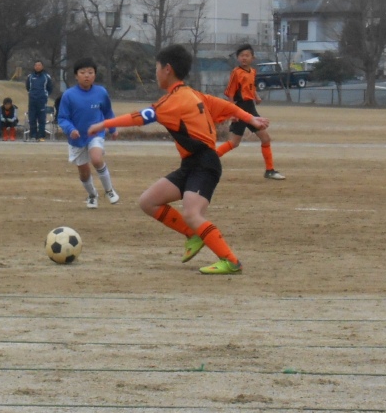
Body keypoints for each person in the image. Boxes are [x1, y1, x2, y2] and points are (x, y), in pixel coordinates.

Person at [88, 44, 269, 275]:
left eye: (157, 68)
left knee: (192, 214)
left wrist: (104, 124)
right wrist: (250, 118)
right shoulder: (193, 94)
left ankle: (231, 261)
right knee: (148, 202)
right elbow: (225, 105)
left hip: (205, 164)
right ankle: (193, 234)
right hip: (191, 164)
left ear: (167, 69)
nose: (155, 73)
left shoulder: (171, 102)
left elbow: (138, 117)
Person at [57, 57, 119, 209]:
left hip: (95, 134)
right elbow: (62, 118)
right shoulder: (69, 95)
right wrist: (71, 130)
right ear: (76, 75)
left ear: (95, 75)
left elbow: (108, 112)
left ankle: (109, 190)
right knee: (84, 173)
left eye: (90, 72)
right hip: (76, 139)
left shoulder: (101, 92)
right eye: (83, 72)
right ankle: (92, 195)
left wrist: (112, 128)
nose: (87, 75)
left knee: (96, 159)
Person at [218, 43, 285, 180]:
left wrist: (256, 96)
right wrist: (233, 113)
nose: (244, 58)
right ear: (238, 58)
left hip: (250, 108)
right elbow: (230, 93)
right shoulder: (236, 72)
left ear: (252, 58)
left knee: (265, 138)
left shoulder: (253, 71)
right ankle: (207, 159)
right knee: (234, 143)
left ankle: (270, 170)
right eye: (241, 55)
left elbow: (251, 87)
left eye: (247, 55)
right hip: (240, 108)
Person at [25, 59, 53, 141]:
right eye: (36, 65)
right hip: (32, 100)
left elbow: (50, 88)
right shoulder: (30, 76)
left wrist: (44, 95)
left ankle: (41, 136)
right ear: (34, 67)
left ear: (42, 66)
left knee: (41, 119)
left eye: (39, 65)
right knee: (32, 118)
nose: (37, 67)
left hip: (42, 100)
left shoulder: (46, 77)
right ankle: (33, 136)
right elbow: (28, 87)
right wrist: (32, 94)